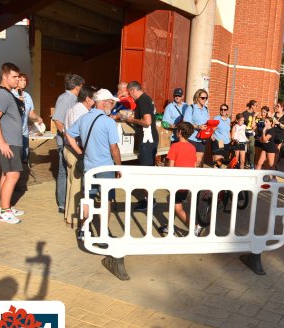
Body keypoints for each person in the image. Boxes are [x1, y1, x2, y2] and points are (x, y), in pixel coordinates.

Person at [66, 89, 122, 238]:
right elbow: (114, 148)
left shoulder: (84, 118)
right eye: (111, 102)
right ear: (103, 103)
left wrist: (79, 152)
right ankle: (103, 233)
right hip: (105, 167)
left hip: (89, 167)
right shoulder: (109, 122)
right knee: (106, 200)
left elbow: (69, 134)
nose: (112, 105)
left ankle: (84, 229)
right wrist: (119, 167)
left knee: (87, 198)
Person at [0, 62, 25, 224]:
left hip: (12, 141)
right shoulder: (1, 94)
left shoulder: (9, 93)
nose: (17, 80)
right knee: (13, 174)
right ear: (4, 76)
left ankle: (6, 205)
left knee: (6, 173)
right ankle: (4, 212)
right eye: (14, 77)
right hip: (7, 142)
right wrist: (2, 143)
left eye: (18, 77)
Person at [63, 85, 96, 227]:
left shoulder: (73, 108)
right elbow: (80, 134)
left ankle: (68, 215)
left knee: (71, 184)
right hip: (75, 150)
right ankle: (74, 218)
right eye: (94, 98)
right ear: (88, 99)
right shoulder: (82, 112)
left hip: (68, 149)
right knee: (76, 186)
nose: (95, 102)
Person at [123, 81, 159, 211]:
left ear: (133, 90)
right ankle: (147, 198)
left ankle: (150, 201)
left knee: (146, 172)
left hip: (147, 141)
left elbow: (147, 122)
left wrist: (132, 120)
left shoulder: (143, 100)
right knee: (147, 171)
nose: (129, 96)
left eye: (129, 92)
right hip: (149, 141)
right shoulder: (146, 99)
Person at [160, 122, 200, 237]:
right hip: (187, 182)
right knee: (173, 204)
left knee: (177, 208)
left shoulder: (174, 146)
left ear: (180, 132)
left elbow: (170, 167)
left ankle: (195, 227)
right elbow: (194, 165)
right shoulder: (193, 147)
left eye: (177, 130)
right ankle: (169, 227)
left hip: (176, 183)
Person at [52, 74, 84, 214]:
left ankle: (69, 201)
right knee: (64, 172)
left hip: (71, 142)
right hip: (66, 143)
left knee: (70, 172)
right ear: (77, 87)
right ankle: (63, 204)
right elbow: (58, 120)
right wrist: (68, 137)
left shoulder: (74, 99)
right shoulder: (65, 98)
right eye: (82, 86)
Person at [13, 73, 42, 163]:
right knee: (14, 160)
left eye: (25, 80)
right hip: (13, 133)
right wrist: (18, 104)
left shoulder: (27, 96)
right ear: (16, 81)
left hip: (24, 132)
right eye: (21, 80)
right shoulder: (11, 95)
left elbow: (30, 113)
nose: (24, 82)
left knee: (24, 159)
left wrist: (38, 117)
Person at [184, 89, 210, 167]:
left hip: (202, 138)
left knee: (198, 160)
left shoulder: (206, 109)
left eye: (206, 98)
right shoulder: (191, 108)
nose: (204, 100)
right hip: (192, 138)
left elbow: (208, 122)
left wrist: (211, 128)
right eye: (202, 98)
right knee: (191, 159)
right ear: (197, 98)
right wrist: (198, 126)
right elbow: (186, 123)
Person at [242, 100, 258, 168]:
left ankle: (251, 163)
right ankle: (245, 162)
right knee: (245, 149)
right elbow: (241, 123)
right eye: (256, 105)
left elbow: (256, 123)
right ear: (252, 106)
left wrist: (255, 127)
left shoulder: (255, 114)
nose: (256, 107)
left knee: (251, 148)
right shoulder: (244, 113)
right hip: (244, 133)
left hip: (251, 133)